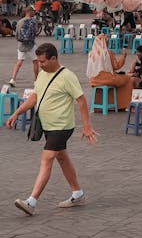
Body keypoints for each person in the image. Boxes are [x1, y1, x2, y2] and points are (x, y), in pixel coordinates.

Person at [6, 42, 97, 216]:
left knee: (47, 158)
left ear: (53, 58)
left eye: (43, 62)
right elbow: (35, 97)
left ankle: (31, 202)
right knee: (62, 157)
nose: (39, 65)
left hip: (62, 126)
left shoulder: (67, 76)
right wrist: (16, 113)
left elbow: (81, 100)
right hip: (47, 126)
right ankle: (77, 194)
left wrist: (86, 126)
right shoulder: (42, 74)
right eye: (38, 62)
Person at [87, 33, 133, 109]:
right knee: (128, 79)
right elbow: (116, 66)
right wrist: (123, 57)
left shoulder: (91, 54)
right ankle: (122, 105)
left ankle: (100, 107)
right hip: (106, 78)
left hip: (93, 80)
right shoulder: (107, 53)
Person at [8, 7, 39, 88]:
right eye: (33, 11)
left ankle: (13, 79)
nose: (34, 12)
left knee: (19, 62)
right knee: (35, 61)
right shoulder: (33, 21)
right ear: (29, 12)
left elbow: (17, 34)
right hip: (31, 44)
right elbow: (36, 31)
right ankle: (36, 80)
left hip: (21, 44)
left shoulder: (20, 21)